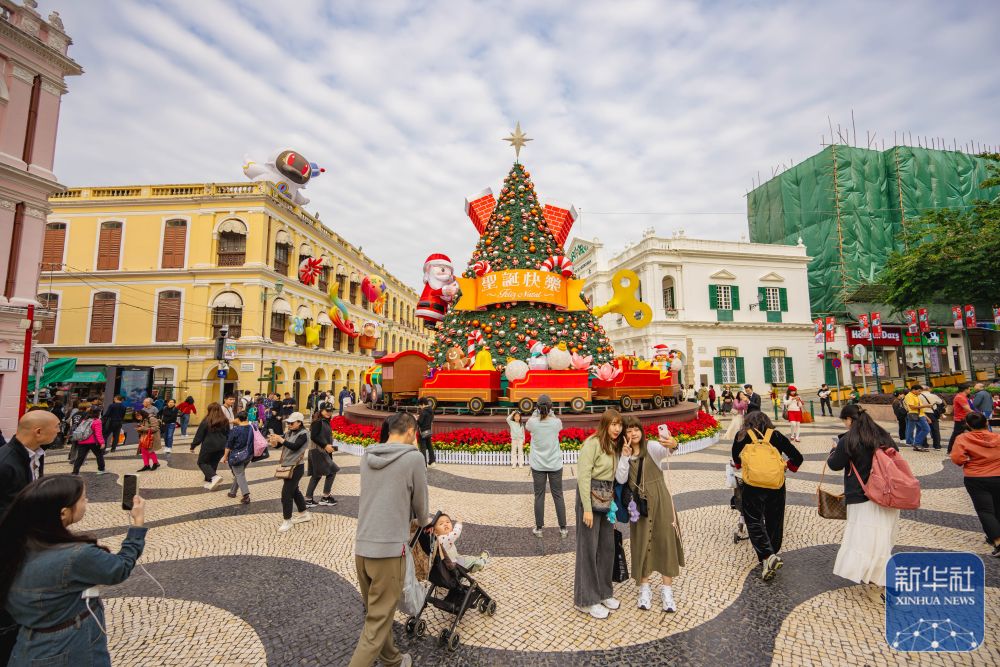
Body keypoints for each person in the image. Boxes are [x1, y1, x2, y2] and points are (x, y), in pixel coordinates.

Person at [0, 476, 147, 667]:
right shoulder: (75, 556)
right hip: (70, 649)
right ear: (63, 512)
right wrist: (138, 524)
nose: (87, 502)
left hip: (27, 645)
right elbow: (119, 568)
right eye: (83, 498)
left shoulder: (17, 543)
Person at [349, 411, 427, 667]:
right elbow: (420, 505)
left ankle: (393, 660)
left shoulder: (368, 456)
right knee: (375, 625)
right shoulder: (413, 458)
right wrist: (426, 523)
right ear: (410, 432)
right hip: (389, 552)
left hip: (363, 547)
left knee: (376, 614)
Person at [827, 404, 900, 598]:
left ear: (849, 420)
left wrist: (834, 450)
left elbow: (834, 464)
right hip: (887, 495)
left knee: (865, 540)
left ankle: (886, 581)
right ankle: (880, 577)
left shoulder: (849, 439)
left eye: (844, 421)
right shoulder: (883, 435)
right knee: (881, 539)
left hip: (862, 496)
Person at [616, 415, 685, 611]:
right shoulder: (623, 453)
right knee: (641, 542)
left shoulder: (652, 447)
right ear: (624, 435)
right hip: (638, 506)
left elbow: (667, 449)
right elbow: (621, 479)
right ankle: (644, 588)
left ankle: (667, 591)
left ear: (641, 430)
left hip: (660, 499)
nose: (633, 433)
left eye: (635, 429)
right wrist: (624, 456)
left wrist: (673, 443)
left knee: (665, 541)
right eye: (628, 431)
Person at [731, 411, 803, 581]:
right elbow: (798, 458)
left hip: (752, 486)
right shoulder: (776, 435)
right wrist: (785, 466)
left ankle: (767, 555)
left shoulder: (742, 435)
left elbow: (736, 461)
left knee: (754, 520)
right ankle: (771, 554)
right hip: (776, 485)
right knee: (774, 520)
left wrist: (747, 464)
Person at [574, 409, 623, 619]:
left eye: (619, 425)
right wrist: (586, 508)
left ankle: (604, 592)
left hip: (605, 498)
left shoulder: (615, 446)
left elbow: (614, 477)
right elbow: (583, 476)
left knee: (606, 547)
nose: (617, 429)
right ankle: (586, 600)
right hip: (589, 497)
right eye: (613, 424)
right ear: (605, 424)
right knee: (588, 549)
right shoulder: (592, 444)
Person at [950, 413, 1000, 556]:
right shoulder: (997, 437)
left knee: (985, 510)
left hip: (976, 478)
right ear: (986, 423)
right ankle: (993, 536)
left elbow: (957, 459)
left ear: (969, 425)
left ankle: (997, 540)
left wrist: (969, 460)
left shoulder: (963, 438)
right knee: (998, 507)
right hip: (998, 475)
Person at [0, 411, 57, 516]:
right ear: (38, 432)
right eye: (56, 426)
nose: (58, 431)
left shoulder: (37, 454)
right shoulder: (4, 462)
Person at [525, 395, 567, 538]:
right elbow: (556, 422)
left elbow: (528, 425)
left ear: (537, 407)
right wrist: (550, 413)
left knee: (539, 496)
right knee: (558, 495)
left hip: (538, 465)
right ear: (550, 408)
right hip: (555, 464)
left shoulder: (532, 422)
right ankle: (563, 529)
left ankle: (539, 528)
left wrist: (536, 413)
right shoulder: (556, 423)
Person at [268, 411, 311, 532]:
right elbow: (281, 445)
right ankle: (304, 513)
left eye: (292, 423)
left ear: (299, 422)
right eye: (288, 423)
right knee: (294, 490)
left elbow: (295, 446)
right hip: (287, 465)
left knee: (286, 494)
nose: (289, 425)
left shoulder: (304, 434)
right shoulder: (289, 432)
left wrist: (281, 440)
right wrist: (274, 441)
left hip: (296, 467)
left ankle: (287, 520)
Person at [305, 402, 340, 507]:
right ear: (321, 410)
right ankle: (325, 497)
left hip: (320, 451)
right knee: (332, 471)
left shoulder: (324, 421)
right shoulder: (318, 422)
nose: (329, 413)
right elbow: (314, 437)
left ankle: (308, 499)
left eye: (330, 411)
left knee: (317, 475)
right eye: (327, 410)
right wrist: (325, 446)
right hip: (318, 451)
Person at [191, 402, 229, 491]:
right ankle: (210, 480)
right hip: (222, 445)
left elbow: (199, 435)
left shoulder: (206, 420)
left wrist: (193, 445)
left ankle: (214, 477)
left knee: (202, 462)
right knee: (213, 462)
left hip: (209, 445)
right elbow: (228, 434)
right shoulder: (225, 420)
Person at [223, 411, 254, 504]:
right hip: (248, 454)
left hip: (237, 456)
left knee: (239, 474)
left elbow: (228, 445)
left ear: (237, 419)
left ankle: (246, 495)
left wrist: (225, 456)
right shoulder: (252, 428)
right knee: (239, 473)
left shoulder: (235, 430)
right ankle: (232, 492)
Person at [70, 407, 106, 475]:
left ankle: (75, 472)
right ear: (98, 413)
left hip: (82, 441)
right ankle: (101, 469)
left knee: (80, 457)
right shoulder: (97, 421)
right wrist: (102, 442)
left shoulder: (85, 420)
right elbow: (98, 434)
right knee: (99, 455)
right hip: (93, 442)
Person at [949, 384, 976, 454]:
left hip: (964, 419)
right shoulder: (960, 397)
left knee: (975, 432)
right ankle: (950, 450)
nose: (970, 391)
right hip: (961, 419)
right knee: (956, 435)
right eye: (969, 389)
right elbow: (967, 409)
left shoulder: (963, 397)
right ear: (965, 389)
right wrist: (977, 414)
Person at [903, 384, 930, 452]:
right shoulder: (909, 396)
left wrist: (926, 417)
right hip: (916, 415)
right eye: (919, 391)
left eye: (921, 391)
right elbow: (912, 407)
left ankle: (917, 445)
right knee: (926, 429)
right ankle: (916, 444)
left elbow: (920, 408)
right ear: (913, 390)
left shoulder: (916, 396)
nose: (920, 392)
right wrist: (926, 406)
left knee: (921, 429)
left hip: (920, 415)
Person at [416, 397, 436, 467]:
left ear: (423, 404)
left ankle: (423, 464)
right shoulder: (431, 410)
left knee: (423, 448)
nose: (420, 407)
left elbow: (420, 422)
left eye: (420, 405)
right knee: (429, 446)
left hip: (422, 432)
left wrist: (417, 419)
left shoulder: (423, 411)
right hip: (429, 431)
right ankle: (432, 461)